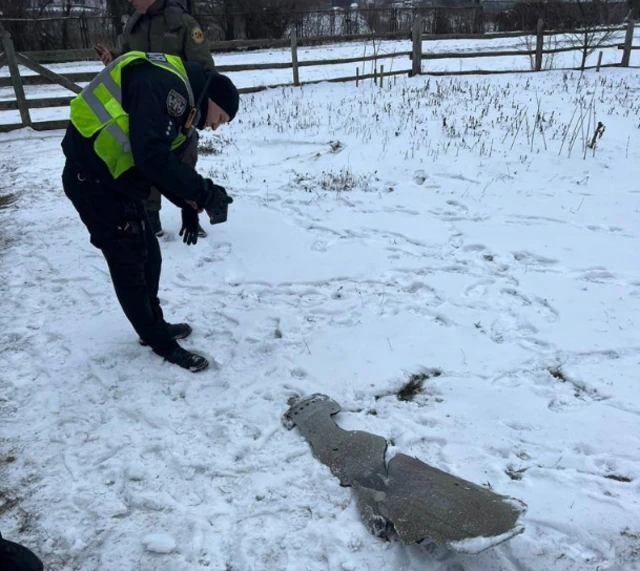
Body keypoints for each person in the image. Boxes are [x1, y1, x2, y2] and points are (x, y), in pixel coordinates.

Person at [61, 51, 239, 372]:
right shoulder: (166, 87)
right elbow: (151, 157)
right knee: (129, 261)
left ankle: (152, 324)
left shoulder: (184, 101)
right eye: (222, 118)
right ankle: (159, 340)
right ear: (214, 100)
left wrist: (187, 204)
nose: (216, 127)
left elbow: (161, 164)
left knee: (150, 256)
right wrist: (204, 193)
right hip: (91, 180)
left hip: (116, 180)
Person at [94, 0, 215, 238]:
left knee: (185, 160)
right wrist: (114, 57)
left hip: (178, 110)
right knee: (146, 159)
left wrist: (199, 103)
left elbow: (203, 67)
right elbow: (129, 57)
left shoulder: (182, 23)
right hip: (143, 109)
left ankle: (191, 212)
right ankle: (151, 218)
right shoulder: (134, 24)